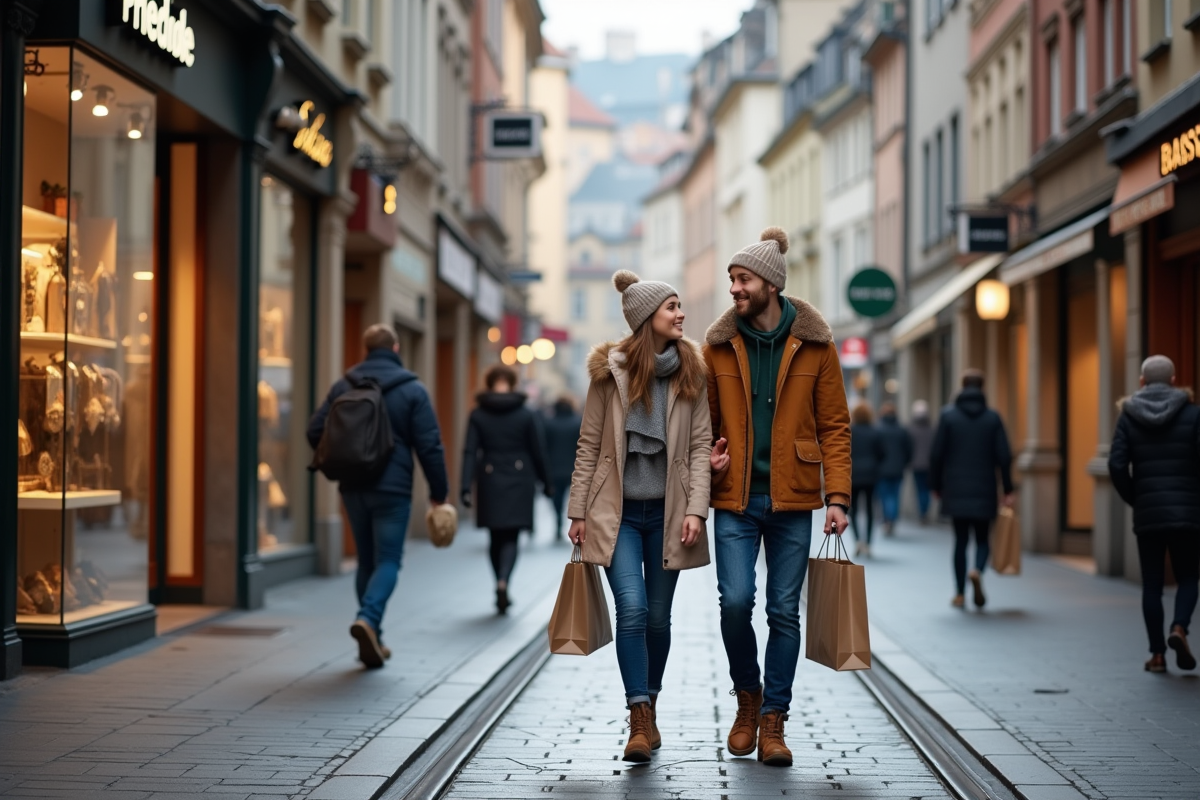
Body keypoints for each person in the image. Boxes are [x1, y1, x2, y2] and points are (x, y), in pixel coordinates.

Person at [703, 227, 851, 767]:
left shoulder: (816, 344)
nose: (735, 289)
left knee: (784, 612)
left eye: (742, 279)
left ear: (770, 282)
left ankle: (773, 721)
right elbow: (703, 425)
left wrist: (837, 495)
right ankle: (748, 698)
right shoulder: (718, 345)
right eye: (732, 280)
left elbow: (835, 425)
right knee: (736, 603)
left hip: (793, 500)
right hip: (735, 500)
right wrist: (705, 465)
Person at [567, 270, 712, 763]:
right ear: (648, 317)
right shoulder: (608, 375)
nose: (681, 314)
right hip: (619, 515)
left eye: (679, 305)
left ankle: (651, 697)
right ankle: (639, 714)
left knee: (657, 615)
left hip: (670, 513)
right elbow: (589, 446)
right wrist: (578, 510)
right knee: (630, 608)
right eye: (672, 306)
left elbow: (697, 446)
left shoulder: (692, 373)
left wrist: (696, 509)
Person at [307, 323, 449, 669]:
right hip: (393, 488)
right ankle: (368, 620)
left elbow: (314, 430)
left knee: (366, 561)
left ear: (366, 349)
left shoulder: (344, 385)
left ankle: (373, 638)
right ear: (396, 349)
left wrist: (343, 458)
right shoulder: (412, 389)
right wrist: (438, 493)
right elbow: (429, 445)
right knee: (388, 560)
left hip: (353, 486)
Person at [1108, 355, 1200, 674]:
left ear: (1142, 382)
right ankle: (1179, 628)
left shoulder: (1128, 416)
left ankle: (1158, 655)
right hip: (1188, 512)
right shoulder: (1193, 414)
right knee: (1189, 576)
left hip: (1148, 512)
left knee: (1152, 583)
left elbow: (1116, 465)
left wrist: (1137, 498)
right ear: (1174, 380)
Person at [462, 364, 551, 615]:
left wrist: (465, 486)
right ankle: (504, 581)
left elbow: (469, 451)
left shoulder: (478, 414)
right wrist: (547, 483)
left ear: (489, 383)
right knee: (512, 536)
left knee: (495, 535)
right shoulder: (525, 414)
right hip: (519, 478)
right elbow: (538, 451)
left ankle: (498, 581)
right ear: (513, 384)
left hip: (489, 478)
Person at [929, 369, 1014, 610]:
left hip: (955, 487)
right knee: (983, 538)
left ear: (962, 386)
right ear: (982, 387)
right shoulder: (993, 418)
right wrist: (1007, 488)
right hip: (985, 486)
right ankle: (977, 570)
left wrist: (935, 485)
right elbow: (1004, 456)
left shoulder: (948, 416)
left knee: (960, 540)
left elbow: (936, 455)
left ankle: (958, 593)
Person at [543, 395, 582, 540]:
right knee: (573, 497)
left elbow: (544, 447)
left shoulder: (548, 423)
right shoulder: (578, 422)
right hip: (574, 468)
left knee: (557, 498)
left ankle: (558, 521)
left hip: (553, 468)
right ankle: (572, 521)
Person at [849, 401, 884, 557]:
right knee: (870, 509)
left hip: (853, 474)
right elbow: (882, 453)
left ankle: (858, 540)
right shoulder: (875, 432)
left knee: (853, 509)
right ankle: (868, 543)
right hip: (871, 474)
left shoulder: (850, 431)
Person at [876, 402, 912, 537]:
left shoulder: (878, 429)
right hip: (898, 468)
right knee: (895, 496)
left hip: (882, 469)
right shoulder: (902, 430)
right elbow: (909, 450)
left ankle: (887, 519)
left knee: (884, 496)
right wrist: (904, 463)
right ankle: (892, 519)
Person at [907, 400, 935, 522]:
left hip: (916, 464)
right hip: (928, 464)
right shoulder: (931, 429)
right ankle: (924, 511)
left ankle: (922, 512)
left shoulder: (911, 430)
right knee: (926, 489)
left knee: (919, 489)